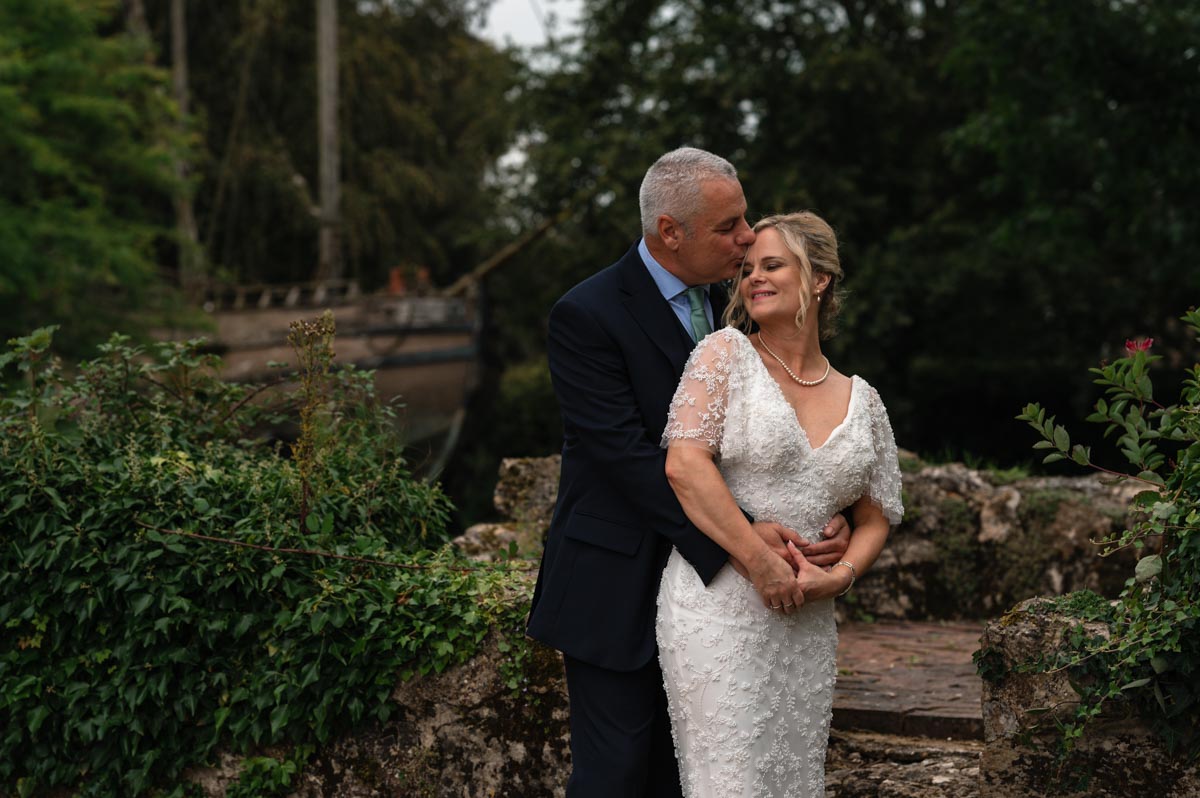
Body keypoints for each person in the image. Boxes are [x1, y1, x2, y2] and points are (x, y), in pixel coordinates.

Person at [526, 149, 852, 797]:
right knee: (617, 775)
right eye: (728, 226)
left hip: (717, 604)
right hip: (616, 581)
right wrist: (747, 538)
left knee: (693, 775)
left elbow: (779, 428)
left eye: (746, 220)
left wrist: (819, 513)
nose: (748, 236)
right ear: (670, 232)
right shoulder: (586, 315)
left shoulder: (745, 307)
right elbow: (629, 459)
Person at [656, 211, 903, 797]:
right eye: (746, 270)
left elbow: (876, 515)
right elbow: (683, 465)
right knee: (731, 783)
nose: (752, 280)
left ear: (818, 279)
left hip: (808, 621)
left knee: (794, 781)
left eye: (772, 265)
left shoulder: (860, 397)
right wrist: (762, 564)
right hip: (719, 606)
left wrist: (838, 577)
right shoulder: (724, 356)